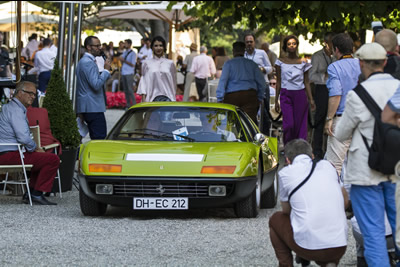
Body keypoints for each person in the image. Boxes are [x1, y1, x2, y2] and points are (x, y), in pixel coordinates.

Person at [335, 42, 400, 266]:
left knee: (373, 234)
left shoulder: (356, 95)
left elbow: (341, 134)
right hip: (396, 170)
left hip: (366, 171)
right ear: (384, 62)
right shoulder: (398, 88)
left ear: (361, 64)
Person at [269, 139, 348, 266]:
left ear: (288, 160)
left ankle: (286, 264)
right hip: (339, 246)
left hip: (308, 248)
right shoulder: (328, 166)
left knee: (275, 219)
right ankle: (329, 262)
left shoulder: (286, 173)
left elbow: (286, 210)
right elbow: (344, 198)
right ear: (312, 156)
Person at [0, 81, 59, 205]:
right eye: (30, 93)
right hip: (9, 154)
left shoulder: (11, 107)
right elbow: (23, 138)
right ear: (20, 93)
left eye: (34, 94)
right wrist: (35, 148)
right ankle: (36, 194)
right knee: (52, 159)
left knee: (42, 159)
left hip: (8, 152)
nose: (33, 96)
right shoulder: (16, 110)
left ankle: (30, 193)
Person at [324, 33, 361, 177]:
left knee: (334, 165)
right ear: (352, 48)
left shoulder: (334, 67)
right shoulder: (362, 65)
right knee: (358, 165)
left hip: (342, 119)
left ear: (336, 49)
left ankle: (336, 198)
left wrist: (329, 118)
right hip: (361, 118)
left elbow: (336, 94)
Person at [274, 35, 315, 145]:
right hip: (286, 94)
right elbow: (278, 81)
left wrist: (311, 99)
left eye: (294, 43)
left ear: (297, 46)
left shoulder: (303, 62)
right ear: (285, 46)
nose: (291, 46)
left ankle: (300, 150)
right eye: (289, 44)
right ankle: (288, 147)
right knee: (289, 125)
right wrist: (276, 100)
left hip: (300, 94)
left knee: (301, 125)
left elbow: (306, 81)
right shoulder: (280, 62)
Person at [216, 41, 266, 123]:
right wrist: (259, 98)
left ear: (233, 51)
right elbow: (262, 83)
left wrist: (220, 98)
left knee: (232, 123)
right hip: (249, 96)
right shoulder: (252, 64)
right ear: (244, 51)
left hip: (232, 96)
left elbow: (223, 81)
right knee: (249, 123)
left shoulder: (228, 64)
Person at [75, 36, 111, 140]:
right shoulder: (87, 62)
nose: (100, 48)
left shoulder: (87, 61)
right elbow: (96, 84)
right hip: (92, 107)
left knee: (98, 137)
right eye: (97, 45)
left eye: (100, 45)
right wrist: (106, 71)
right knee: (99, 138)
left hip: (91, 106)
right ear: (88, 47)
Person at [308, 32, 334, 159]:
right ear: (326, 43)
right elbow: (311, 76)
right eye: (331, 42)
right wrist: (324, 76)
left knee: (333, 118)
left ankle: (330, 149)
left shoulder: (337, 55)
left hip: (334, 89)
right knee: (320, 119)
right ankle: (317, 150)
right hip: (322, 89)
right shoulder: (317, 56)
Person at [244, 33, 273, 134]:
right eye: (247, 42)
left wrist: (262, 69)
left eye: (251, 42)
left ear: (254, 42)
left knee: (265, 112)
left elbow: (270, 68)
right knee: (250, 111)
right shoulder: (243, 56)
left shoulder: (261, 53)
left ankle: (265, 135)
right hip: (249, 87)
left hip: (262, 85)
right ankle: (253, 133)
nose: (249, 44)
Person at [137, 36, 176, 102]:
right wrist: (144, 99)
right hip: (151, 99)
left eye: (161, 45)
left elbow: (174, 82)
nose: (158, 48)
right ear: (152, 47)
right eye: (156, 46)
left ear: (164, 47)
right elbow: (143, 82)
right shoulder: (146, 63)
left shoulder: (170, 63)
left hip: (169, 98)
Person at [119, 39, 137, 108]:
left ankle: (134, 104)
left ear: (129, 44)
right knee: (126, 90)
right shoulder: (125, 52)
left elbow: (133, 64)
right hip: (124, 72)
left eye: (125, 43)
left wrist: (124, 60)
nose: (124, 45)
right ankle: (128, 105)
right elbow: (121, 59)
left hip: (129, 73)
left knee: (130, 89)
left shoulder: (133, 53)